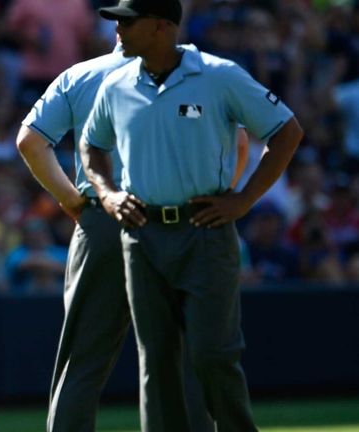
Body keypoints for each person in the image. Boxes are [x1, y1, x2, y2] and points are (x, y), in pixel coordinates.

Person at [80, 0, 303, 430]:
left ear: (162, 26)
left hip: (204, 230)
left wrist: (244, 200)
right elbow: (91, 145)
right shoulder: (117, 84)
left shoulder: (218, 76)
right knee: (156, 360)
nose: (117, 30)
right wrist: (106, 194)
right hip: (141, 234)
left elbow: (287, 131)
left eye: (128, 21)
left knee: (212, 353)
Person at [17, 35, 249, 430]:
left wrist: (73, 201)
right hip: (180, 221)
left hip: (102, 219)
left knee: (83, 362)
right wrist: (220, 197)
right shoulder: (191, 74)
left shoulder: (80, 75)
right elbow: (240, 142)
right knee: (181, 358)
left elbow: (30, 141)